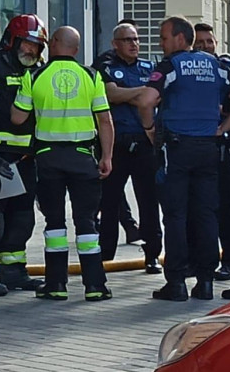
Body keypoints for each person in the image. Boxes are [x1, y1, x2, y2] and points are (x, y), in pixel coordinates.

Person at [137, 17, 230, 301]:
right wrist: (223, 128)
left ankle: (176, 282)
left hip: (177, 148)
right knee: (206, 214)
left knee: (176, 215)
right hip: (208, 149)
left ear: (179, 38)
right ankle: (205, 281)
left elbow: (145, 101)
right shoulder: (216, 66)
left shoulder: (171, 66)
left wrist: (150, 130)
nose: (161, 44)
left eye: (164, 38)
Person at [12, 26, 115, 301]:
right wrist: (106, 157)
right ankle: (95, 286)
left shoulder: (33, 75)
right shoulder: (92, 76)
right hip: (83, 157)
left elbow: (17, 119)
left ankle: (56, 284)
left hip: (48, 158)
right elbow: (104, 120)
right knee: (87, 223)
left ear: (54, 44)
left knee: (55, 223)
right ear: (77, 49)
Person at [0, 14, 48, 294]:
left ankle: (13, 272)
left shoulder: (38, 73)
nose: (31, 51)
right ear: (12, 41)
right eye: (27, 44)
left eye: (37, 46)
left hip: (25, 160)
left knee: (22, 218)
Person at [92, 21, 163, 274]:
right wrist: (144, 93)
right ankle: (105, 253)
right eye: (127, 40)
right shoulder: (106, 66)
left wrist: (132, 94)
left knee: (148, 202)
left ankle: (152, 254)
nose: (134, 44)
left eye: (136, 39)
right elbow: (111, 95)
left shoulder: (149, 66)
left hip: (145, 143)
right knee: (109, 201)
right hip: (117, 144)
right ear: (115, 44)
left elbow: (158, 95)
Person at [194, 24, 230, 281]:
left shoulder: (223, 70)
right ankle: (201, 260)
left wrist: (223, 126)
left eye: (209, 41)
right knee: (199, 208)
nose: (205, 46)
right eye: (200, 42)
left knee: (225, 207)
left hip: (222, 149)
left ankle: (229, 259)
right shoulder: (186, 69)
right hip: (196, 148)